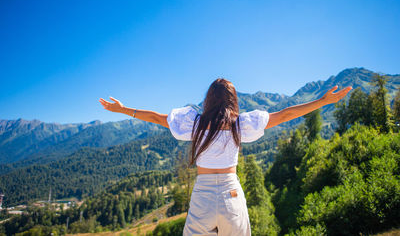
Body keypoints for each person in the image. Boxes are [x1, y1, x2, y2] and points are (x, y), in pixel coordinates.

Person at [99, 78, 352, 236]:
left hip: (203, 196)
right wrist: (321, 101)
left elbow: (155, 117)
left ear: (208, 100)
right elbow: (285, 115)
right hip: (232, 193)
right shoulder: (241, 124)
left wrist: (123, 109)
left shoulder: (194, 124)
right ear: (233, 100)